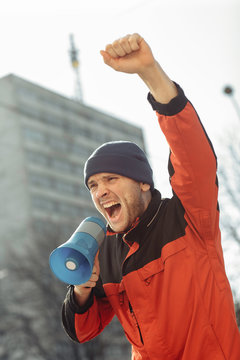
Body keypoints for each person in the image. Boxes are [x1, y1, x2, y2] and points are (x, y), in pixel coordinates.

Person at [62, 33, 240, 359]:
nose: (100, 191)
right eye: (93, 185)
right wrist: (82, 289)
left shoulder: (187, 217)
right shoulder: (106, 252)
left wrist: (150, 72)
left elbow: (194, 156)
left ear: (143, 182)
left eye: (111, 179)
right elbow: (83, 330)